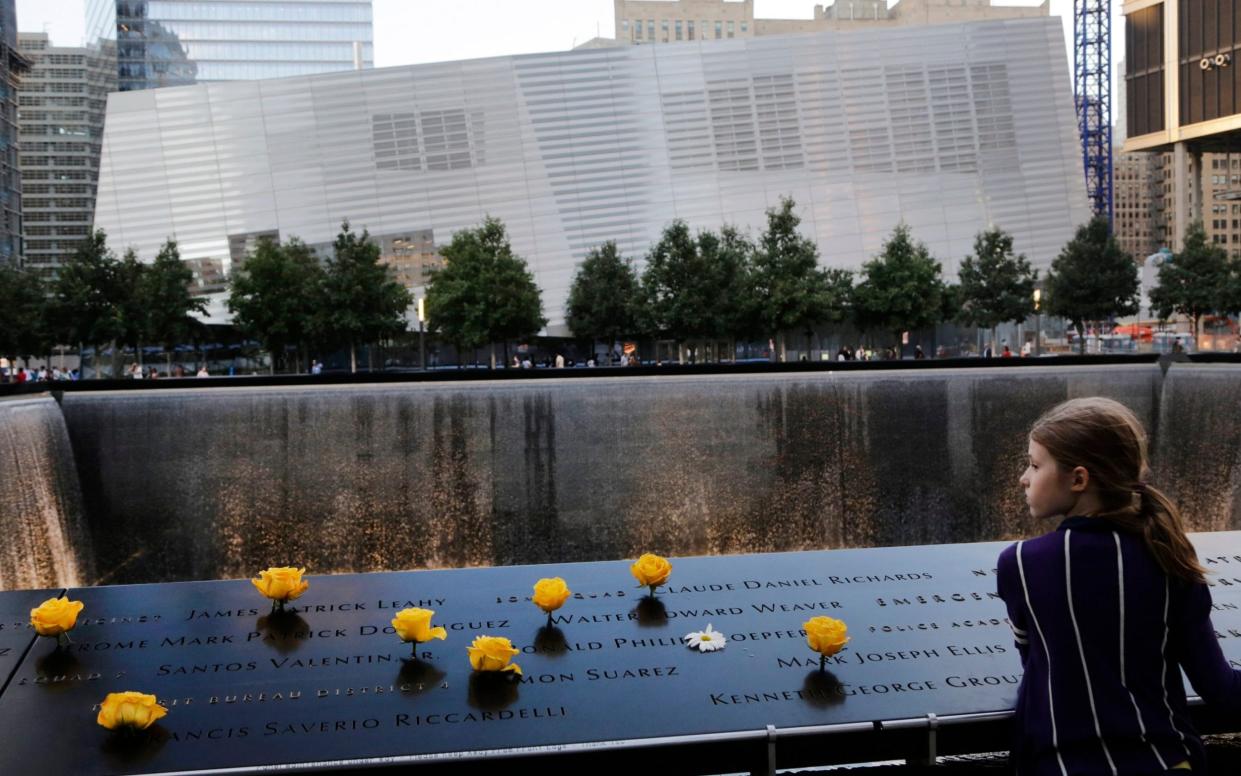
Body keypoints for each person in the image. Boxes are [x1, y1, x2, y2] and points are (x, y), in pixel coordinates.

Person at [997, 398, 1241, 775]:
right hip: (1168, 761)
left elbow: (1038, 672)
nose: (1023, 478)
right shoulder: (1168, 553)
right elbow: (1221, 690)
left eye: (1034, 465)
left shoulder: (1022, 565)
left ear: (1078, 479)